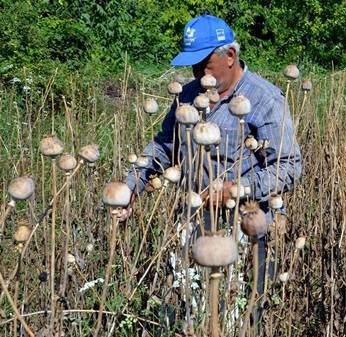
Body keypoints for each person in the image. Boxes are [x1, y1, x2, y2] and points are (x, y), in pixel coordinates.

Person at [114, 13, 302, 324]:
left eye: (204, 63)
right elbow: (164, 147)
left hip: (244, 233)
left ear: (230, 56)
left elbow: (289, 166)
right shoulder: (188, 96)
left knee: (240, 320)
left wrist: (237, 190)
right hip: (193, 226)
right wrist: (133, 186)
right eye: (193, 64)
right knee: (192, 316)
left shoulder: (265, 99)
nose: (197, 71)